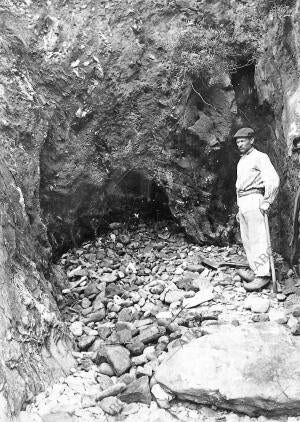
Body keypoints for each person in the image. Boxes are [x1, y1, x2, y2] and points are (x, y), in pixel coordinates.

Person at [234, 127, 280, 291]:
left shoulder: (260, 157)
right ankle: (256, 270)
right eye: (238, 142)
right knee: (247, 239)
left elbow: (272, 179)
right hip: (244, 202)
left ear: (251, 140)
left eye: (243, 141)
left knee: (258, 237)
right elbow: (239, 186)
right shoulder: (242, 161)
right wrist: (239, 209)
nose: (240, 144)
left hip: (255, 199)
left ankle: (264, 275)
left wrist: (267, 201)